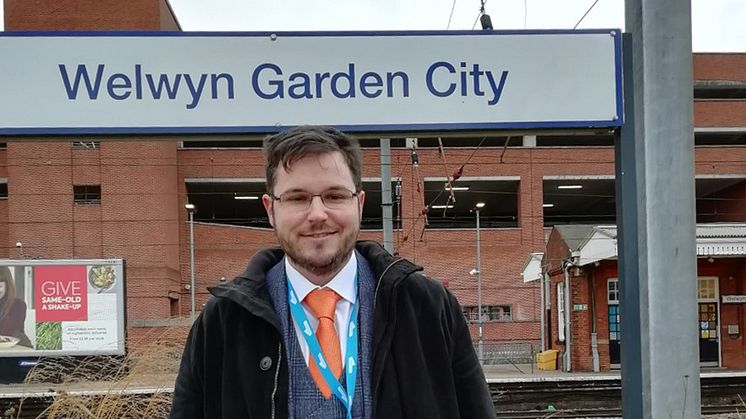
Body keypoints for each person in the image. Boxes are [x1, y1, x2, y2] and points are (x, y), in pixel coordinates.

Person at [170, 126, 495, 419]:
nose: (317, 214)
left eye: (334, 196)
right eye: (297, 198)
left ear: (359, 203)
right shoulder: (222, 323)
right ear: (271, 210)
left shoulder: (429, 308)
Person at [0, 266, 32, 348]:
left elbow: (11, 331)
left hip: (16, 348)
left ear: (8, 286)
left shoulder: (18, 305)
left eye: (0, 286)